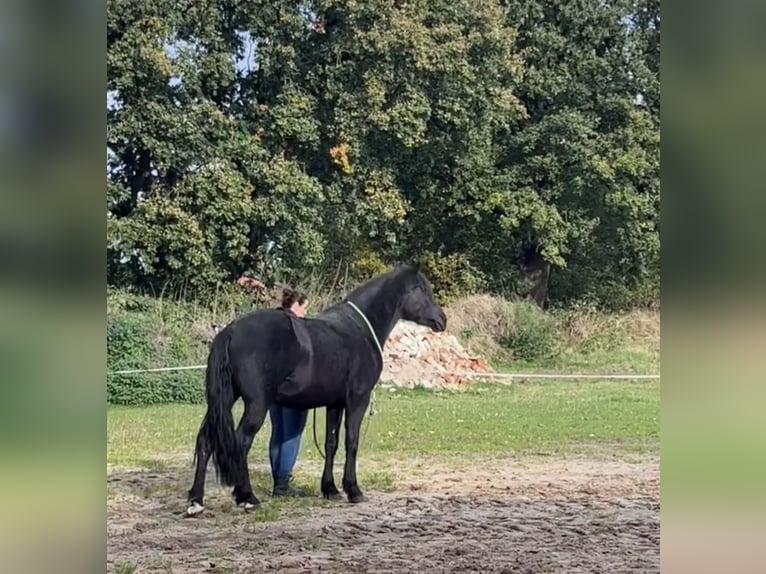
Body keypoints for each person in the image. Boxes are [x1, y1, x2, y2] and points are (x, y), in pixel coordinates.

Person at [269, 287, 310, 497]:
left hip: (272, 387)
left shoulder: (272, 324)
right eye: (305, 308)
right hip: (294, 387)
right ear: (297, 305)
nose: (306, 314)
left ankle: (277, 479)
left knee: (277, 431)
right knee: (292, 432)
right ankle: (283, 483)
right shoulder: (296, 328)